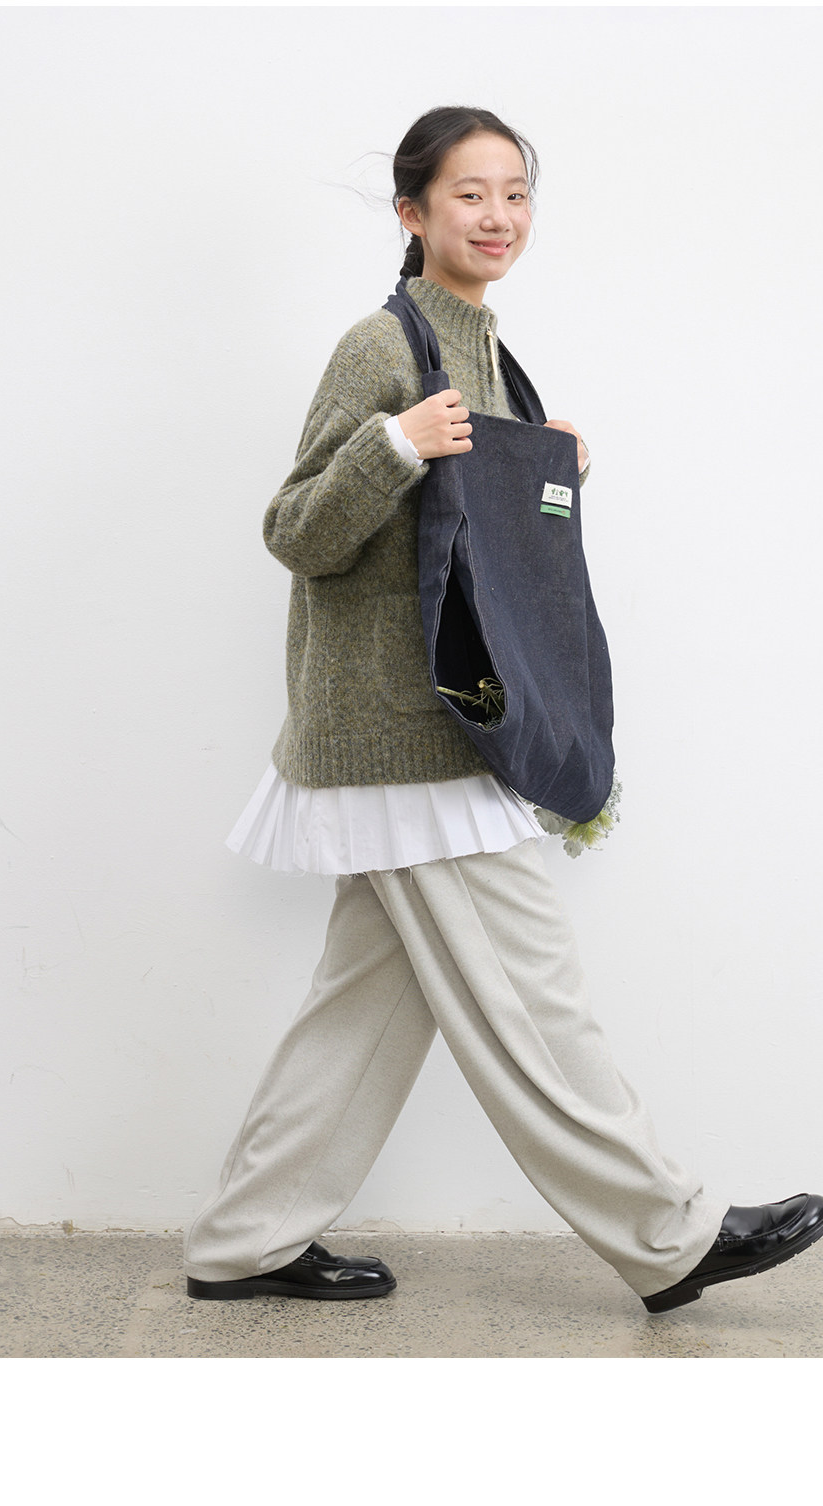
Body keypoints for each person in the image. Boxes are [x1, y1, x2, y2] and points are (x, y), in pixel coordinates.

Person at [184, 106, 823, 1314]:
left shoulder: (487, 353)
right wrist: (393, 443)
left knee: (362, 1012)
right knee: (534, 994)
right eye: (469, 194)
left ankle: (242, 1240)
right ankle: (670, 1237)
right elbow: (297, 531)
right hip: (406, 739)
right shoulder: (380, 348)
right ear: (411, 212)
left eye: (515, 194)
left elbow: (474, 544)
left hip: (440, 728)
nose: (497, 217)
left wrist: (549, 471)